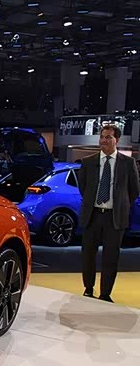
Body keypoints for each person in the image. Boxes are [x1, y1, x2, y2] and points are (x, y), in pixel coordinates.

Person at [78, 124, 140, 303]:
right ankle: (88, 289)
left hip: (115, 217)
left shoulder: (127, 163)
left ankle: (105, 294)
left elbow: (134, 190)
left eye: (108, 137)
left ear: (116, 140)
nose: (104, 140)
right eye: (102, 137)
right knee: (88, 255)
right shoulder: (88, 162)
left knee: (111, 258)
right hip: (93, 215)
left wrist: (120, 204)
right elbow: (83, 187)